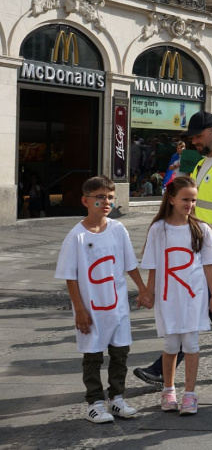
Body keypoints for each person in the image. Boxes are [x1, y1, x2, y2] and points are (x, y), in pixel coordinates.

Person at [133, 111, 212, 386]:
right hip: (197, 251)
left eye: (198, 136)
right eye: (193, 137)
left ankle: (163, 371)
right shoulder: (205, 163)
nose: (195, 142)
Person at [55, 176, 149, 423]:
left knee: (120, 353)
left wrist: (143, 289)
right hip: (92, 309)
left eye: (109, 197)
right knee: (93, 355)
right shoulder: (77, 236)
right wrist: (79, 310)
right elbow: (70, 276)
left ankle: (117, 398)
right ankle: (94, 403)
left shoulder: (118, 229)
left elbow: (130, 263)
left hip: (117, 307)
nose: (106, 201)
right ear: (85, 200)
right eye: (100, 197)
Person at [140, 176, 212, 416]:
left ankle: (190, 394)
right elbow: (153, 265)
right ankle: (168, 389)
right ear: (172, 199)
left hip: (193, 296)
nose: (190, 204)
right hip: (168, 296)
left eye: (194, 200)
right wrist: (148, 291)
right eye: (185, 199)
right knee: (170, 344)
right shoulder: (159, 229)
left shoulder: (201, 229)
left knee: (191, 344)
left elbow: (208, 265)